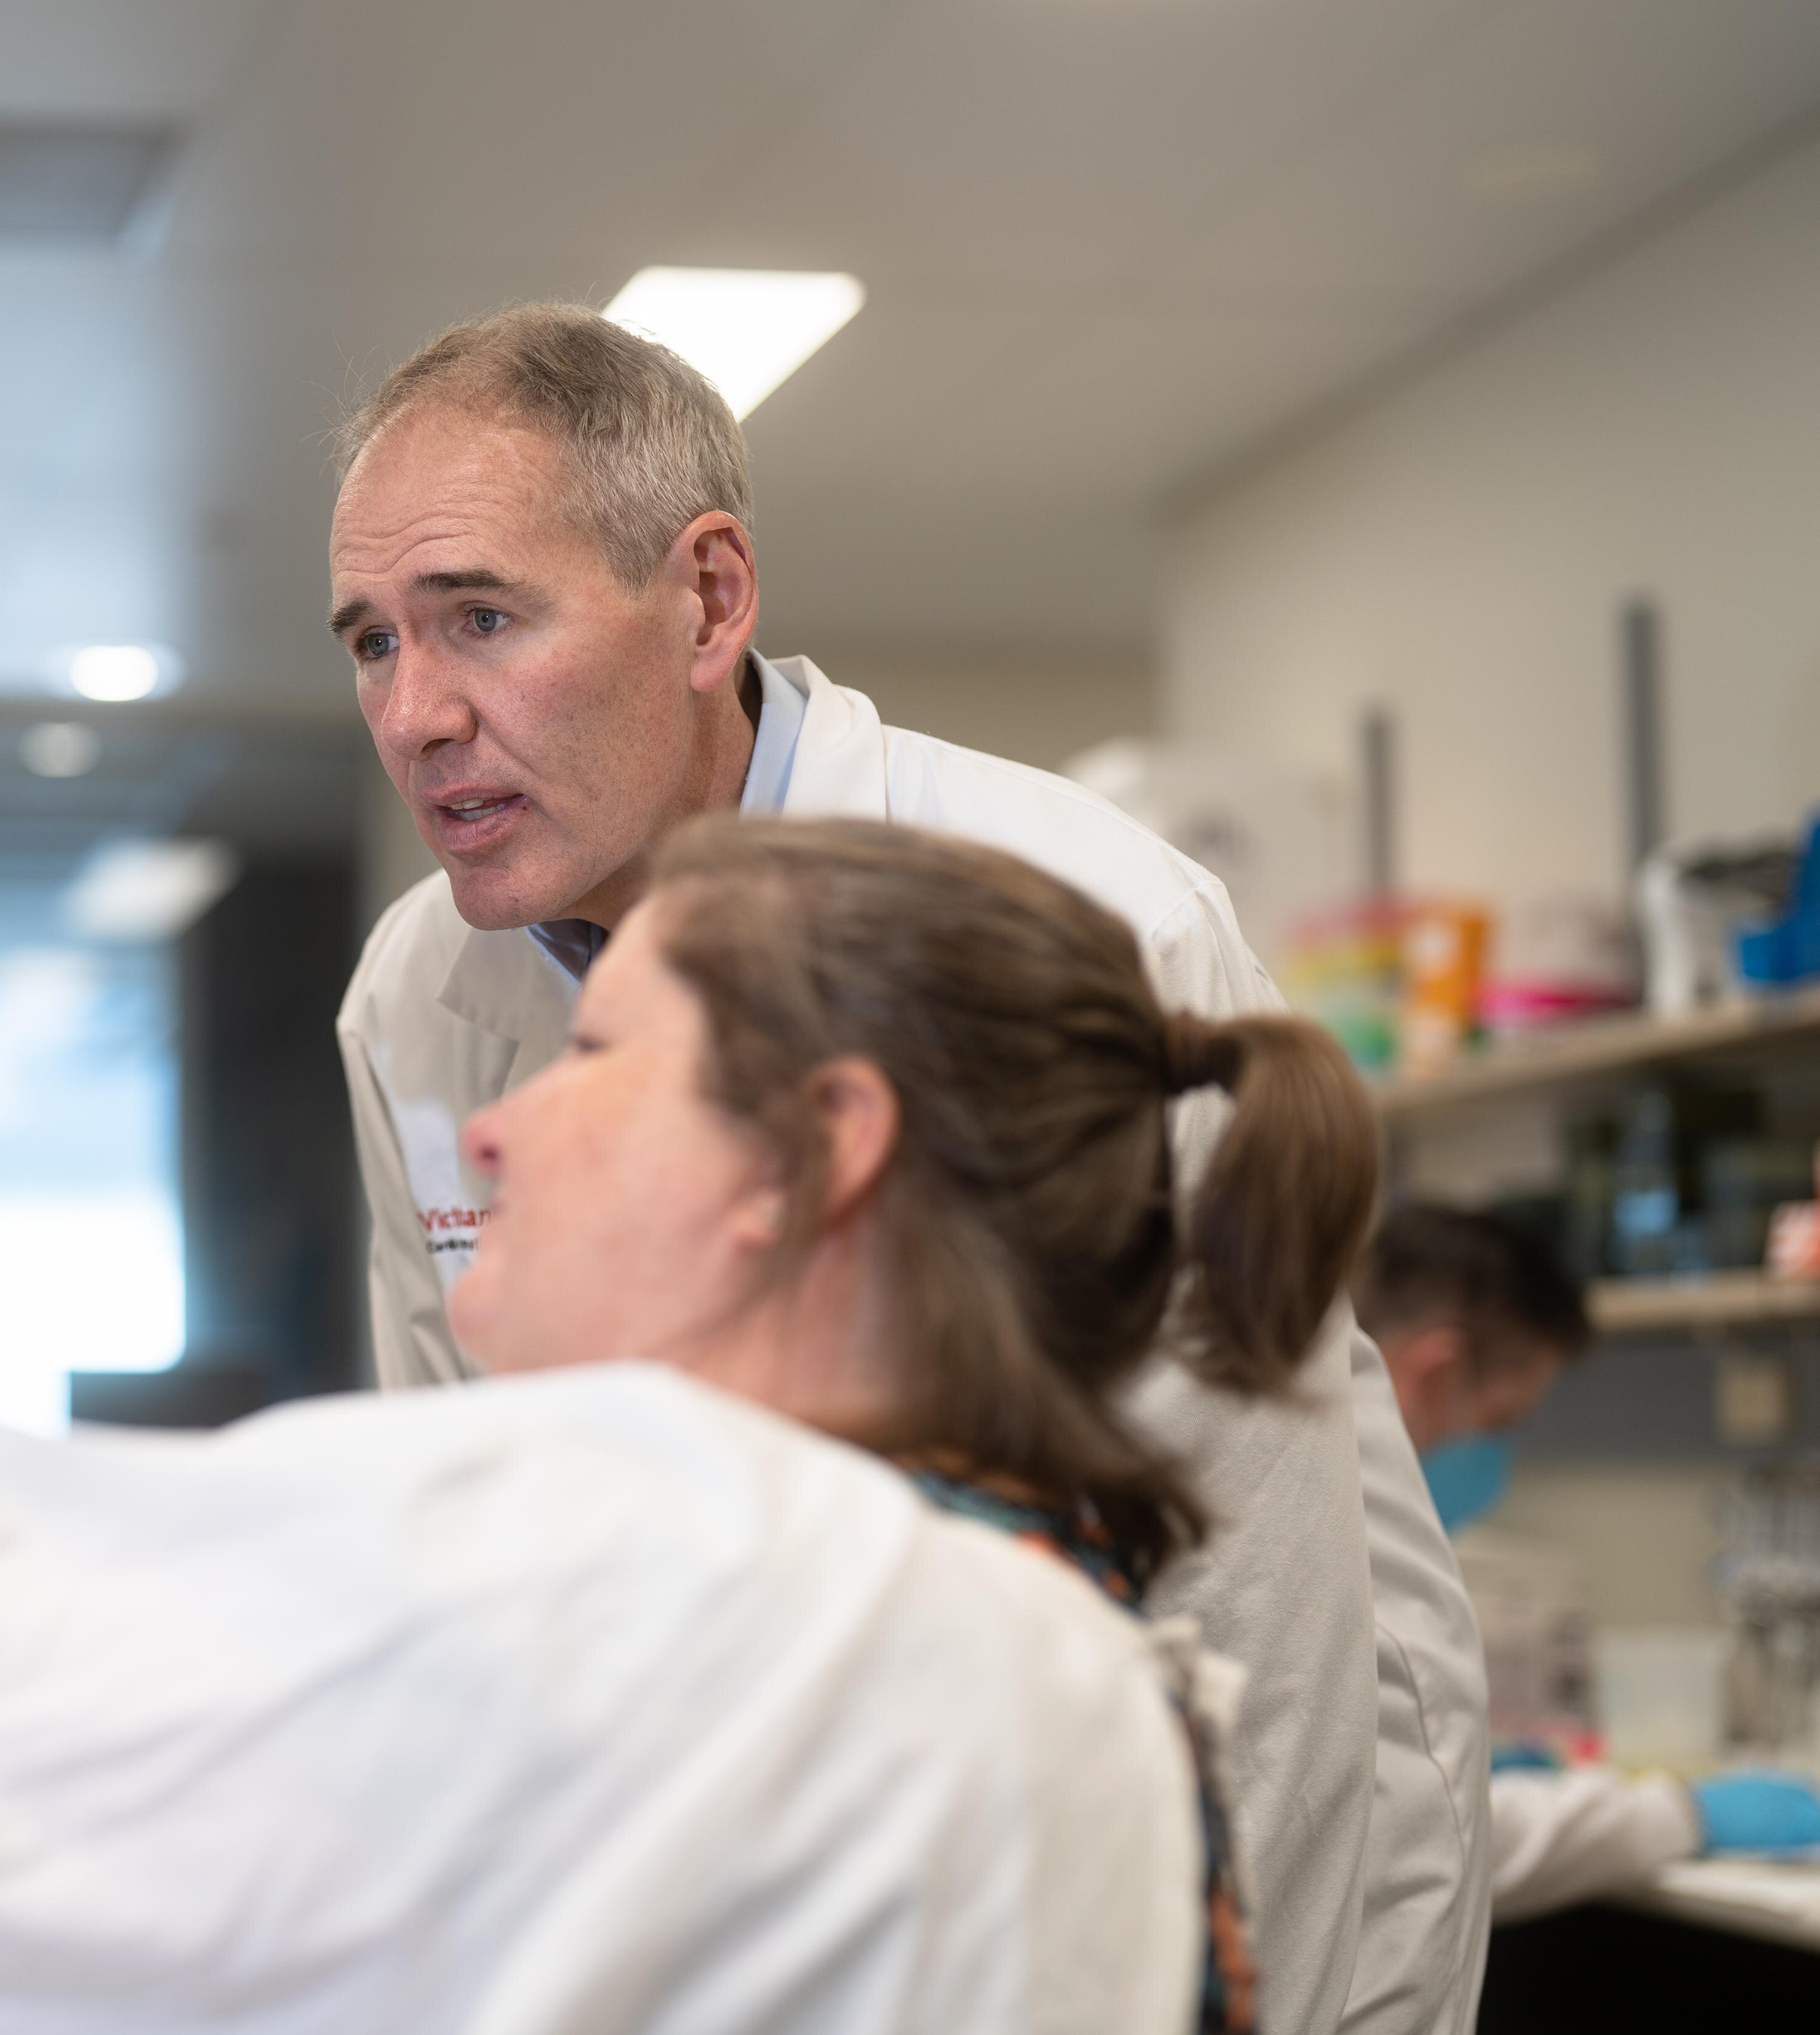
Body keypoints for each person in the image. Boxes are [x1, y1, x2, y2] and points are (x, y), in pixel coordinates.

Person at [0, 736, 1383, 2031]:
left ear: (814, 1152)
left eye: (597, 1067)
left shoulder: (695, 1568)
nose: (497, 1134)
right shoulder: (1030, 1639)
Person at [327, 302, 1485, 2034]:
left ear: (709, 599)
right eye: (368, 642)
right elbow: (483, 1529)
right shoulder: (418, 993)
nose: (415, 712)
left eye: (481, 618)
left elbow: (1257, 1624)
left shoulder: (1084, 914)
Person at [1355, 1203, 1820, 1924]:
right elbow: (1411, 1851)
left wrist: (1466, 1770)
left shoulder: (1333, 1532)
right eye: (1502, 1422)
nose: (1501, 1455)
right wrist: (1683, 1815)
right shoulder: (1330, 1563)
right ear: (1433, 1375)